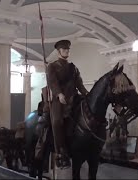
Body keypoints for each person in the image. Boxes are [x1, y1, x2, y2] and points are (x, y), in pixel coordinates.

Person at [47, 40, 88, 169]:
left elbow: (79, 84)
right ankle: (60, 151)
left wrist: (86, 94)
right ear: (58, 51)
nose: (67, 51)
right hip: (59, 100)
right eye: (64, 49)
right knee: (57, 122)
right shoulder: (52, 66)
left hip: (73, 98)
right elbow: (52, 82)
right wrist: (59, 94)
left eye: (68, 49)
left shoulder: (73, 67)